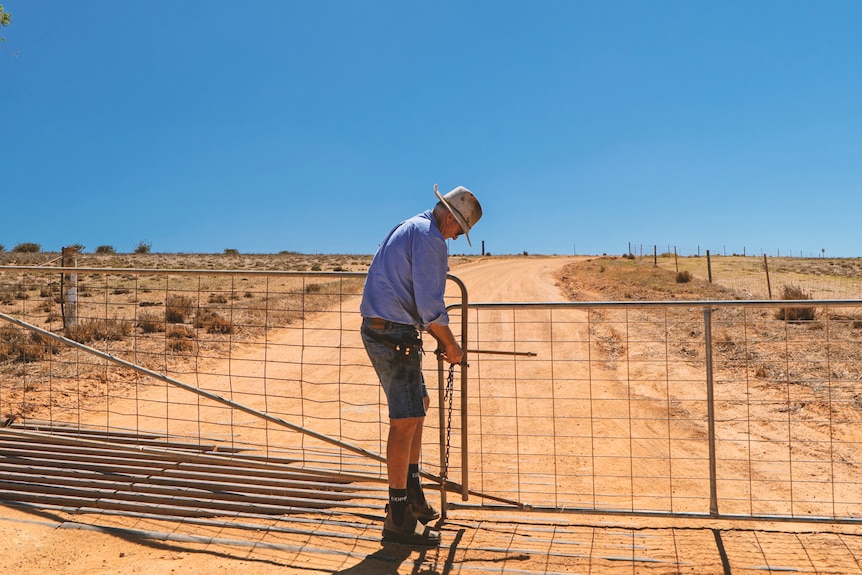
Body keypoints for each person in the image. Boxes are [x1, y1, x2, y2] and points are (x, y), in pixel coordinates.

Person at [360, 184, 482, 545]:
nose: (457, 237)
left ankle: (411, 495)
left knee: (419, 406)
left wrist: (440, 339)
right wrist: (451, 346)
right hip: (393, 333)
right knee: (405, 421)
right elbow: (430, 307)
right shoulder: (432, 239)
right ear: (450, 217)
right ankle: (398, 515)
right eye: (460, 229)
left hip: (387, 328)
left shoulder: (412, 225)